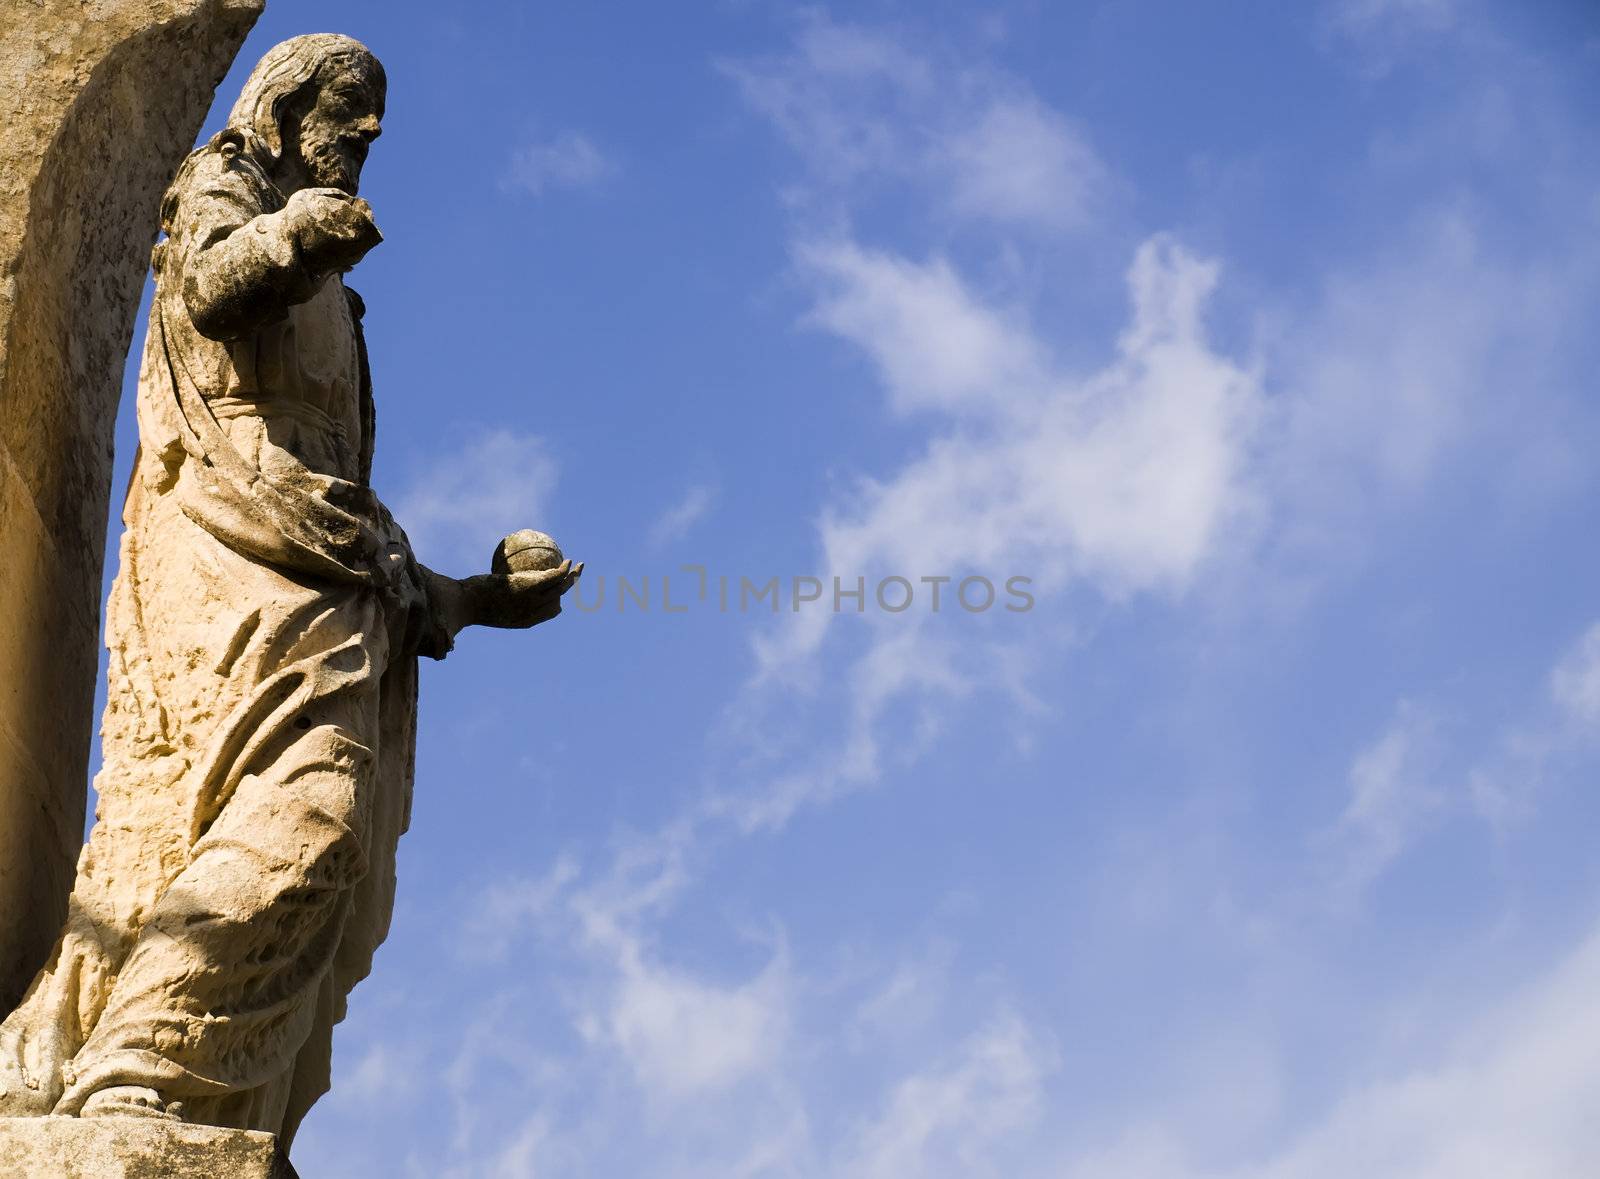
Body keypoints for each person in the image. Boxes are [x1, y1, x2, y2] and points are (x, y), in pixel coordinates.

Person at [0, 33, 575, 1144]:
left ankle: (156, 1073)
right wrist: (294, 238)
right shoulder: (222, 188)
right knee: (308, 821)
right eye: (348, 104)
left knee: (307, 832)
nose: (365, 132)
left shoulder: (341, 312)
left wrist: (471, 596)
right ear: (283, 103)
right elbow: (212, 287)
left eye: (376, 119)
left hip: (326, 578)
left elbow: (340, 504)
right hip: (225, 566)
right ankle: (139, 1077)